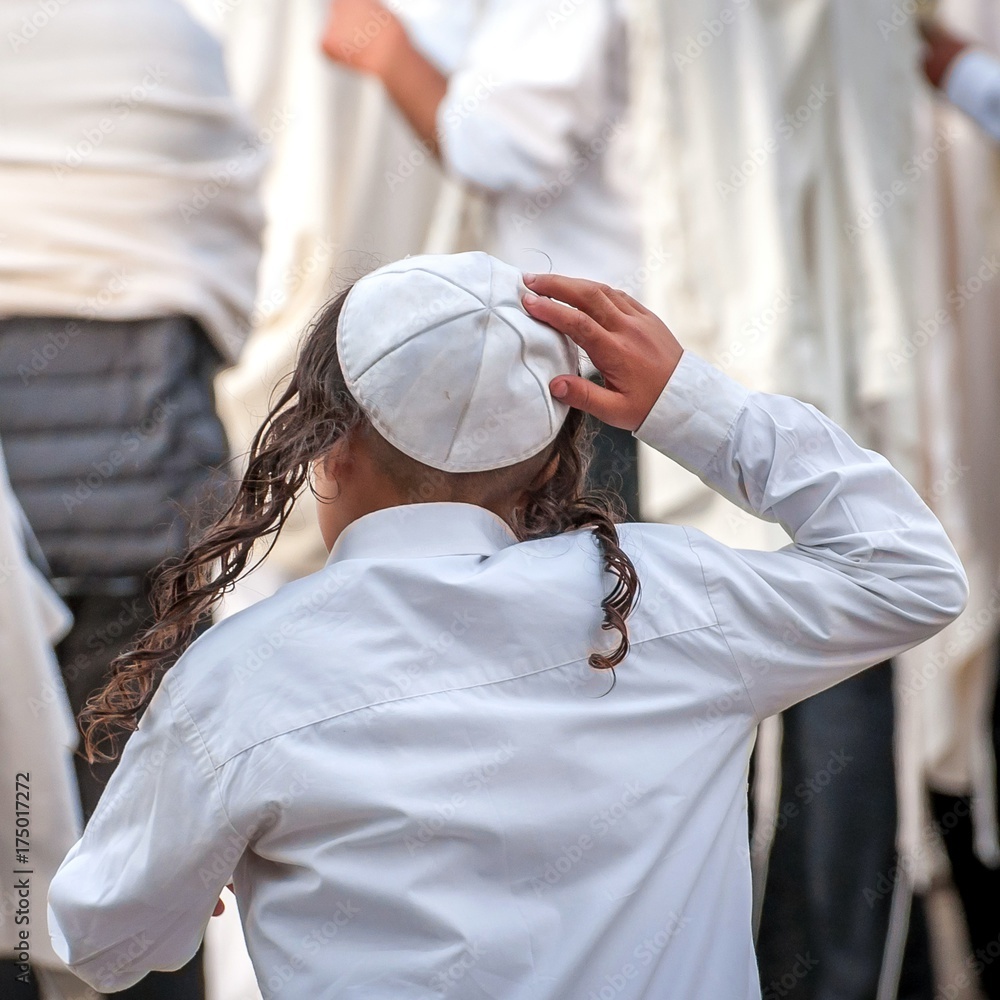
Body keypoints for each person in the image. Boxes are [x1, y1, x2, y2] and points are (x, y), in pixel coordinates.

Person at [47, 253, 967, 998]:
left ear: (329, 447)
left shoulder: (239, 680)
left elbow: (98, 941)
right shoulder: (670, 604)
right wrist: (690, 406)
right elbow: (911, 571)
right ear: (550, 461)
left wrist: (188, 873)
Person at [0, 0, 264, 994]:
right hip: (146, 518)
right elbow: (227, 253)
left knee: (12, 852)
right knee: (142, 866)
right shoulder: (173, 37)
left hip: (17, 516)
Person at [322, 0, 645, 520]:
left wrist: (386, 47)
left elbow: (498, 146)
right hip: (583, 347)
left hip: (591, 360)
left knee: (586, 572)